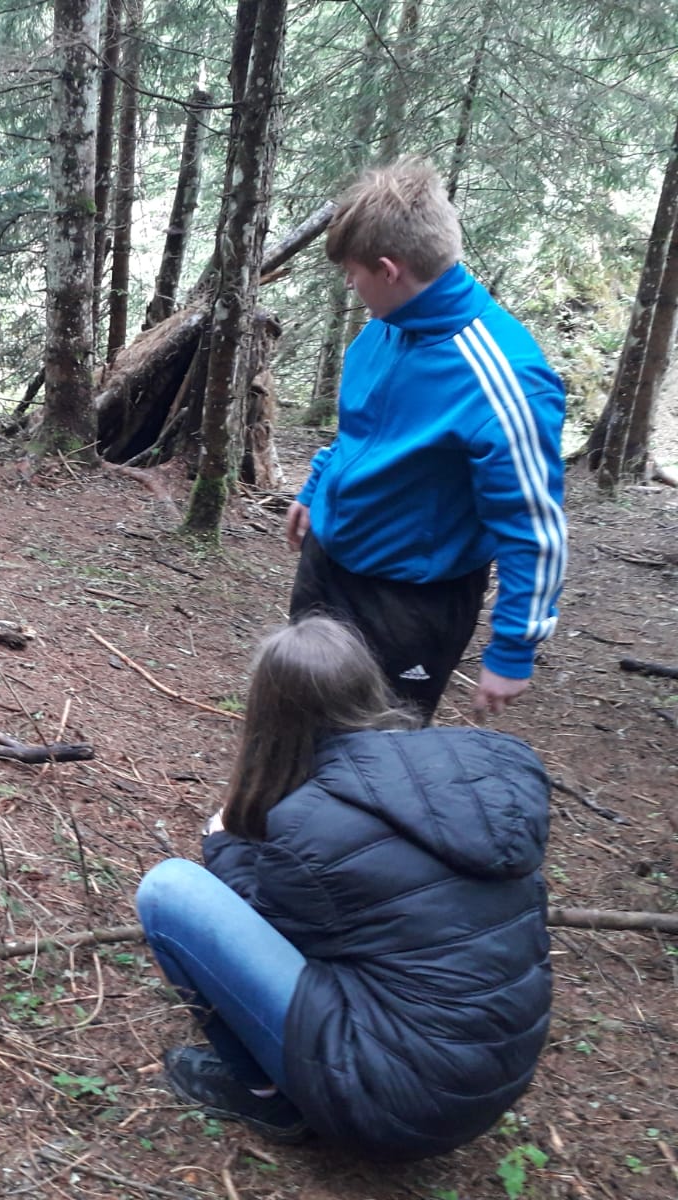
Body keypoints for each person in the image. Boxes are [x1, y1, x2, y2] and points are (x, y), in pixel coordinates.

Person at [133, 616, 552, 1160]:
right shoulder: (469, 773)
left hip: (394, 1106)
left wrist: (222, 843)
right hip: (491, 1081)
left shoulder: (312, 824)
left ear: (270, 715)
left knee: (169, 891)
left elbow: (270, 929)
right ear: (369, 686)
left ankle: (265, 1098)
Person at [285, 157, 567, 723]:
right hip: (330, 563)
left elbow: (535, 528)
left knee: (379, 746)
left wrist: (513, 649)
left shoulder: (505, 381)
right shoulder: (381, 332)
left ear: (390, 270)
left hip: (411, 601)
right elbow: (359, 429)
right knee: (296, 710)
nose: (349, 284)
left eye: (353, 272)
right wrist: (317, 487)